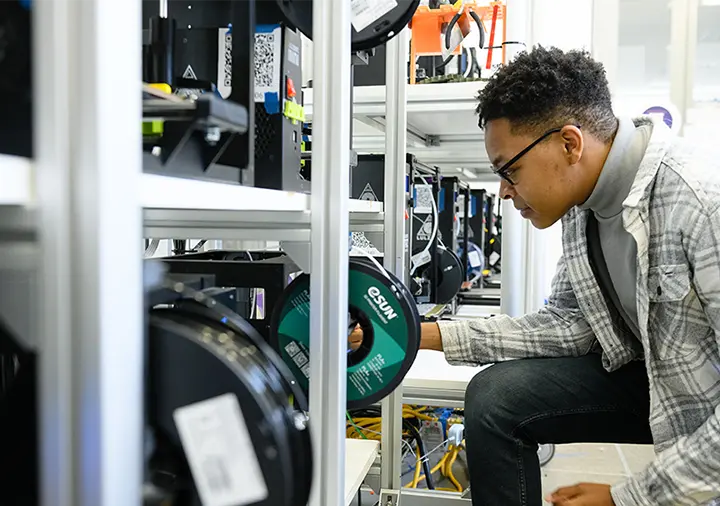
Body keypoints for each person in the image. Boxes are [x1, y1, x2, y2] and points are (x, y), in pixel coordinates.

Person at [419, 46, 720, 505]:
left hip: (702, 406)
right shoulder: (582, 209)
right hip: (654, 383)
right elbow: (569, 325)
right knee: (496, 398)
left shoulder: (698, 202)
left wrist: (629, 496)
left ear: (570, 143)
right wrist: (424, 334)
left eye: (510, 170)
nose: (502, 191)